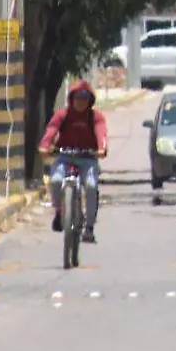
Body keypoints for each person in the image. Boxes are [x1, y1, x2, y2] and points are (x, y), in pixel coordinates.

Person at [38, 81, 109, 243]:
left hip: (88, 159)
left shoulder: (96, 117)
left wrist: (102, 149)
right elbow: (51, 130)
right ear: (72, 98)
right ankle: (59, 211)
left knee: (91, 186)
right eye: (78, 97)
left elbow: (101, 133)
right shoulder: (63, 115)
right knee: (55, 181)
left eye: (85, 97)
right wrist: (45, 146)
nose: (81, 101)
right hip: (64, 156)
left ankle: (89, 227)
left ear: (90, 100)